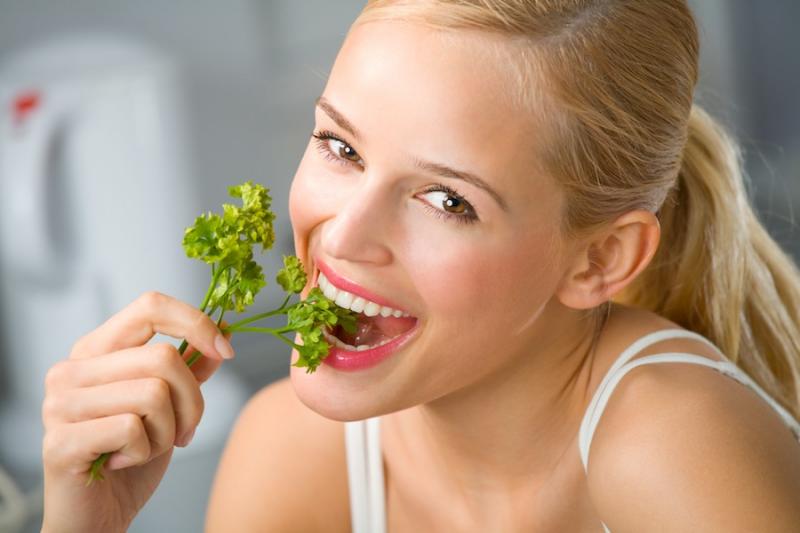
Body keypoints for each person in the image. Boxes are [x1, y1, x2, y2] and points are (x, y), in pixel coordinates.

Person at [41, 1, 800, 531]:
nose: (342, 237)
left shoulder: (672, 447)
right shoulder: (294, 453)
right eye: (341, 148)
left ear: (599, 258)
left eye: (446, 199)